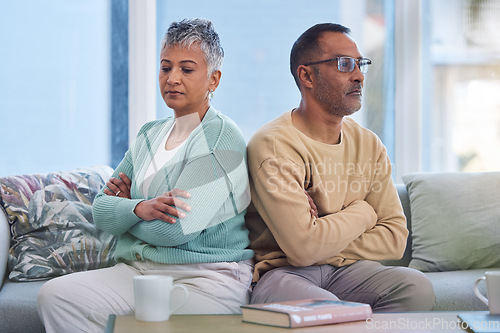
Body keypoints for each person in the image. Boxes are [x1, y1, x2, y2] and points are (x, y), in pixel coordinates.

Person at [37, 18, 254, 332]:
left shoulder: (222, 136)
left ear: (213, 79)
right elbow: (101, 212)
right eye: (166, 68)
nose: (172, 78)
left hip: (205, 277)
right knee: (56, 297)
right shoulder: (149, 134)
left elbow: (176, 230)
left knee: (150, 325)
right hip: (140, 270)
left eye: (187, 69)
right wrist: (140, 208)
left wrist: (125, 216)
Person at [245, 23, 435, 311]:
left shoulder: (369, 144)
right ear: (306, 75)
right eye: (344, 64)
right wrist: (364, 212)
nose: (358, 76)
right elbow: (303, 249)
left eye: (360, 64)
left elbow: (395, 238)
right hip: (283, 274)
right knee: (327, 308)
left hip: (350, 272)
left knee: (415, 287)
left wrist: (320, 238)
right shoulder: (274, 146)